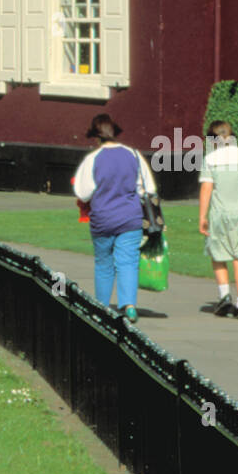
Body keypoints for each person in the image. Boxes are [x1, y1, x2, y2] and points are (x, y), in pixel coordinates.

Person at [72, 113, 158, 323]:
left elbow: (83, 192)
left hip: (102, 218)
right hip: (130, 218)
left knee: (104, 263)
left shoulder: (92, 159)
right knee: (128, 262)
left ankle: (101, 307)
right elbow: (148, 188)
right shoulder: (134, 155)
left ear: (96, 136)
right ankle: (129, 306)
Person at [199, 120, 238, 320]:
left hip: (221, 213)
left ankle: (224, 295)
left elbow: (207, 189)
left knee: (218, 255)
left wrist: (202, 216)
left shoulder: (211, 159)